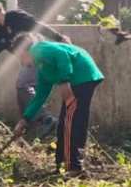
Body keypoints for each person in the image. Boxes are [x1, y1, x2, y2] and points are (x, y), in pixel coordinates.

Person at [14, 31, 105, 176]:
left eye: (18, 56)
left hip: (82, 76)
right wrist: (25, 119)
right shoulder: (42, 67)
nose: (20, 62)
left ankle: (73, 167)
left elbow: (62, 54)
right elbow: (40, 96)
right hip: (83, 77)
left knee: (70, 122)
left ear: (23, 50)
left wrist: (64, 81)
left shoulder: (38, 49)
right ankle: (63, 164)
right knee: (67, 121)